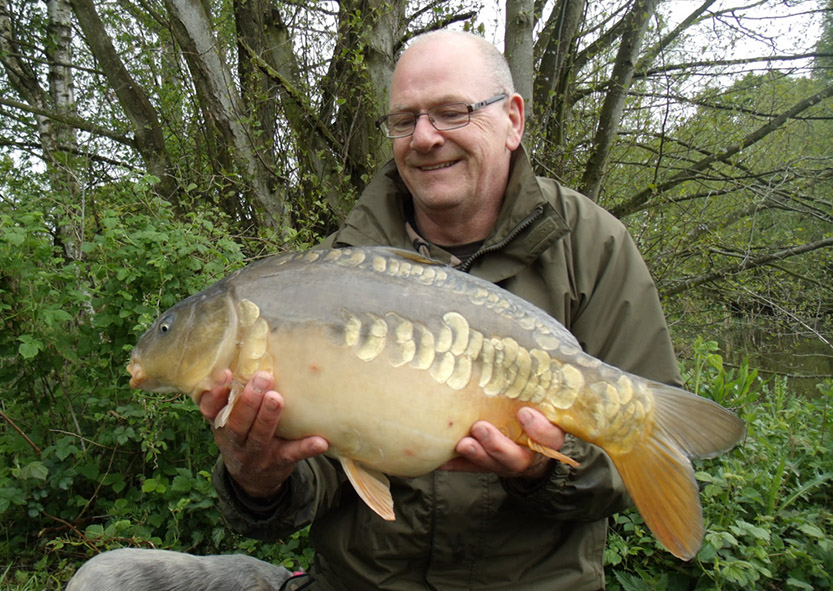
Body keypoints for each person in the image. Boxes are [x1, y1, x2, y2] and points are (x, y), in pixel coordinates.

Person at [68, 29, 681, 591]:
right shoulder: (336, 270)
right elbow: (319, 479)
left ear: (512, 118)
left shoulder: (593, 248)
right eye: (405, 119)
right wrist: (257, 478)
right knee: (109, 578)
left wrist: (539, 473)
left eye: (452, 112)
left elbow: (627, 471)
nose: (425, 137)